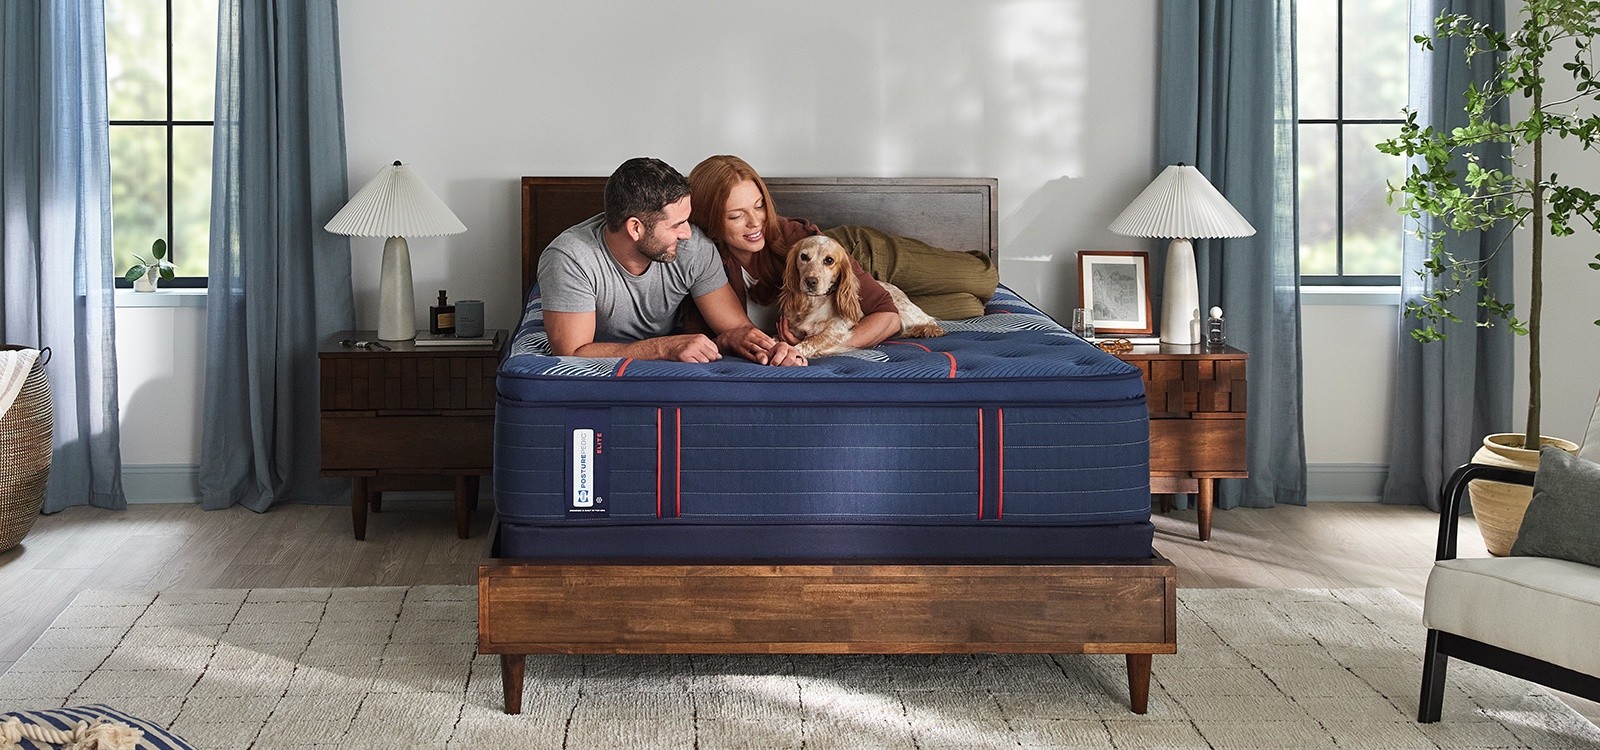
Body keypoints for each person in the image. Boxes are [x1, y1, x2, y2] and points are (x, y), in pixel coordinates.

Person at [538, 157, 804, 366]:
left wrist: (772, 349)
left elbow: (736, 328)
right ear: (635, 228)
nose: (688, 233)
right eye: (677, 224)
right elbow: (572, 353)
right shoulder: (571, 258)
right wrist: (663, 347)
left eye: (687, 220)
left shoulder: (693, 247)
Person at [686, 155, 901, 348]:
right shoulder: (699, 259)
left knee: (933, 275)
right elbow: (701, 337)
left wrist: (822, 347)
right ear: (708, 220)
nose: (755, 223)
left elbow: (888, 315)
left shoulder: (799, 239)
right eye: (735, 216)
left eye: (759, 206)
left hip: (857, 250)